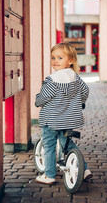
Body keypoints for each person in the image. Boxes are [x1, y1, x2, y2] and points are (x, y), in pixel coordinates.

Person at [35, 42, 93, 185]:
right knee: (67, 143)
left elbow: (43, 97)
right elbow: (85, 91)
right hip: (69, 120)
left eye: (60, 58)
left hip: (52, 121)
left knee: (48, 146)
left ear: (71, 61)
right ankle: (84, 170)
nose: (55, 61)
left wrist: (37, 101)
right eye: (53, 58)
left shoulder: (52, 80)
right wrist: (81, 102)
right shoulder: (76, 78)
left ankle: (49, 175)